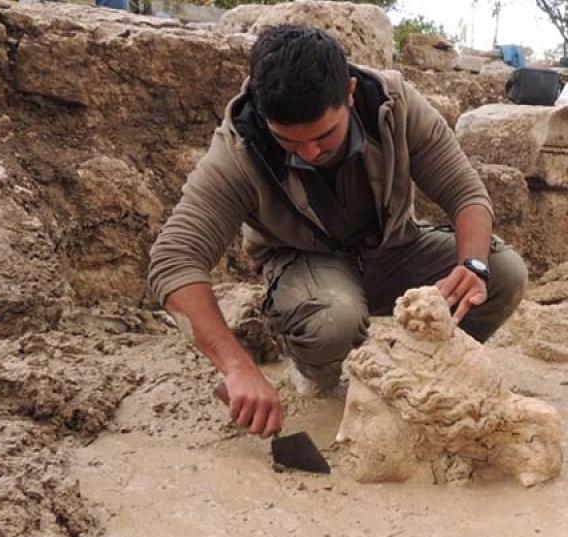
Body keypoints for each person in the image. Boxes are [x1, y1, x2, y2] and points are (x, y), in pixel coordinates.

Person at [147, 25, 528, 440]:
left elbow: (466, 193)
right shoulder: (239, 150)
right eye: (290, 142)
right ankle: (316, 372)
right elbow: (174, 259)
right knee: (334, 319)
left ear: (348, 92)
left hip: (392, 252)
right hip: (307, 267)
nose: (311, 153)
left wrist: (471, 264)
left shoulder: (393, 105)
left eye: (325, 135)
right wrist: (238, 367)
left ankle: (430, 365)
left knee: (503, 272)